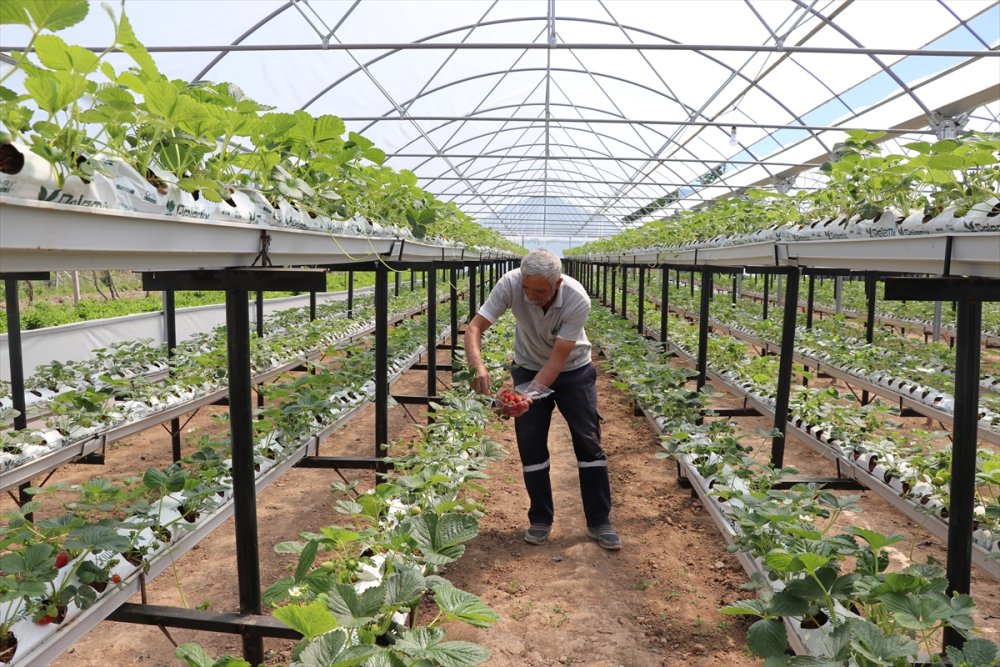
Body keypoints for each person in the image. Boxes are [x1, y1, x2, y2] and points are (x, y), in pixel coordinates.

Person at [464, 249, 621, 550]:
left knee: (588, 443)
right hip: (527, 365)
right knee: (531, 444)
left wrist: (522, 395)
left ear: (557, 284)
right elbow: (474, 327)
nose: (530, 295)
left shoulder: (577, 299)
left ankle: (600, 522)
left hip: (573, 370)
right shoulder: (510, 284)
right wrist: (477, 365)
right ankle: (540, 518)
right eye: (526, 287)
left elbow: (558, 359)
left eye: (539, 290)